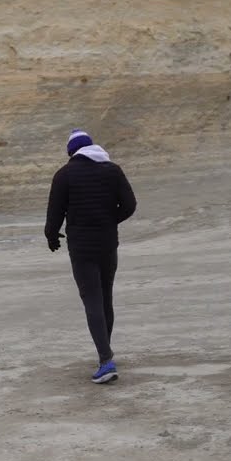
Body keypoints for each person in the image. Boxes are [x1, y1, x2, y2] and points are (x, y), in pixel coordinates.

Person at [45, 129, 137, 384]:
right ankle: (105, 354)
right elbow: (129, 205)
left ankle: (106, 361)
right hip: (108, 244)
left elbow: (54, 214)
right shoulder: (112, 170)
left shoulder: (64, 175)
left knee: (92, 300)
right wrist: (108, 221)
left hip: (82, 247)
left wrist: (52, 237)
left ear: (71, 152)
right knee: (105, 297)